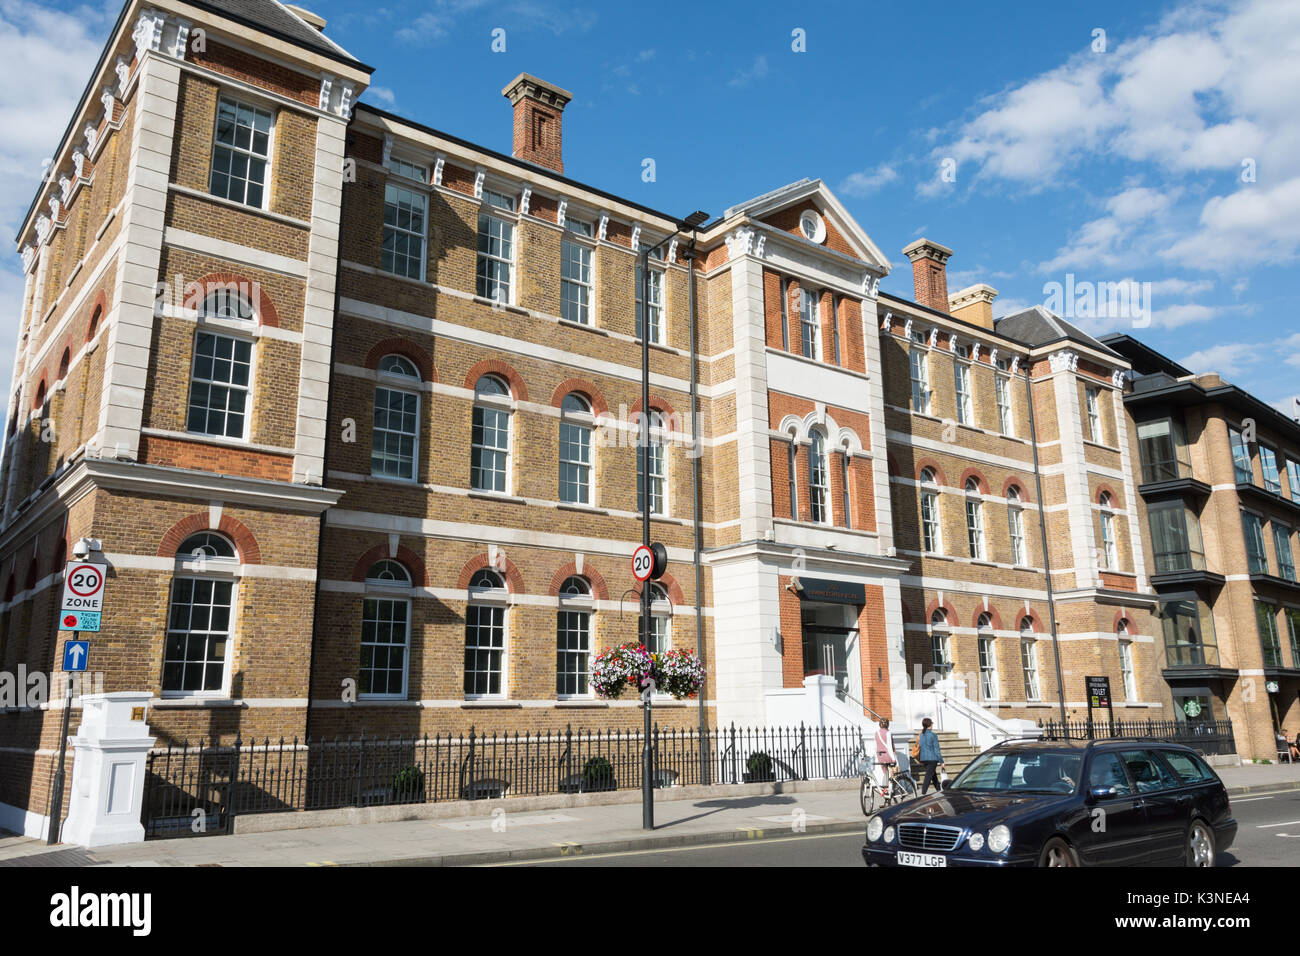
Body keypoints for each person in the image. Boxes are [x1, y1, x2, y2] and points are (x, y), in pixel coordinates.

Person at [917, 717, 944, 795]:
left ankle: (939, 790)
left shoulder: (921, 735)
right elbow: (937, 749)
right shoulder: (933, 735)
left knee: (933, 775)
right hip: (932, 759)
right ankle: (923, 794)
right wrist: (941, 761)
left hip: (924, 759)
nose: (932, 725)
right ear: (930, 725)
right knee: (928, 776)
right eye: (932, 723)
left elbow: (920, 746)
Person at [873, 719, 895, 790]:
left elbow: (875, 747)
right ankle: (890, 789)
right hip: (887, 755)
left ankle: (885, 789)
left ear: (880, 724)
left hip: (880, 756)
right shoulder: (888, 733)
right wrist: (893, 759)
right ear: (887, 724)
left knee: (885, 773)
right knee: (891, 773)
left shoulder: (876, 733)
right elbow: (889, 747)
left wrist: (876, 756)